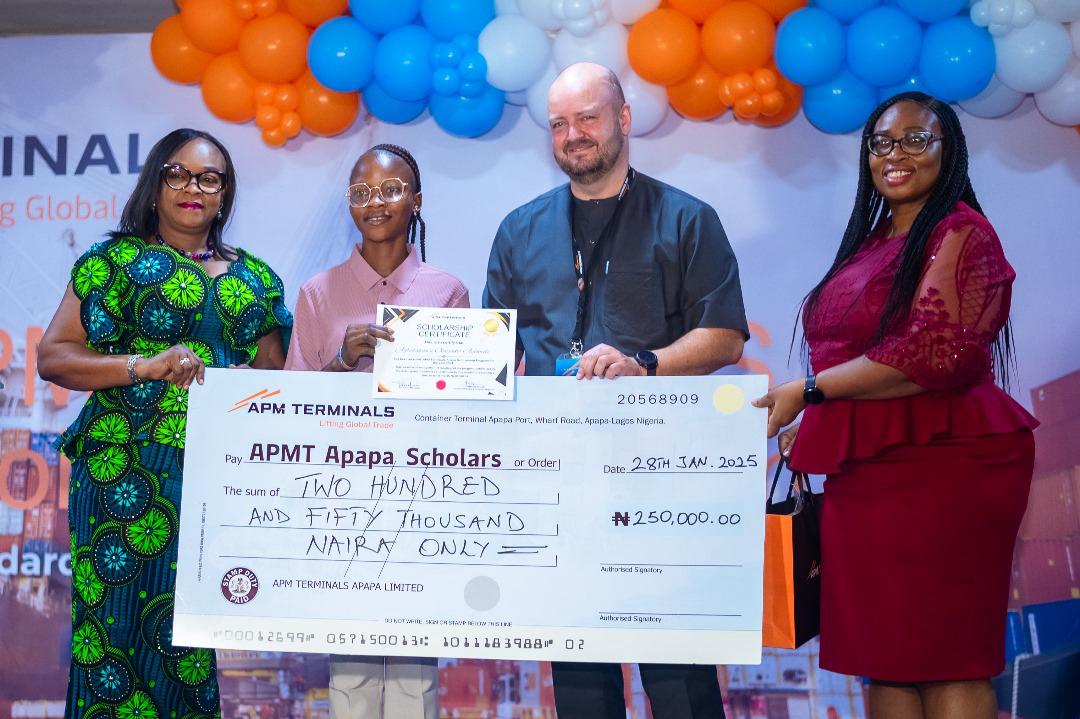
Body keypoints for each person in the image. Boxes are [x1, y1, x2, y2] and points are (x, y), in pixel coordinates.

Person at [752, 93, 1038, 719]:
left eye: (916, 139)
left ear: (948, 149)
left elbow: (935, 353)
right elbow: (850, 353)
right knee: (885, 655)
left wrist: (809, 392)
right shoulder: (873, 240)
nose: (895, 154)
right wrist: (819, 417)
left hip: (947, 464)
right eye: (881, 143)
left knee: (948, 654)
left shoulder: (962, 231)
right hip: (868, 472)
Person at [484, 62, 748, 719]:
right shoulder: (518, 229)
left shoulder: (687, 218)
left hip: (662, 483)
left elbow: (725, 337)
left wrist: (644, 364)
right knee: (580, 684)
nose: (573, 135)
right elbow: (493, 356)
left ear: (623, 119)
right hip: (557, 486)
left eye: (588, 118)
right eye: (559, 124)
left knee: (680, 681)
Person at [38, 128, 292, 719]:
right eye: (177, 173)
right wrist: (143, 365)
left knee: (188, 642)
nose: (192, 187)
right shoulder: (111, 262)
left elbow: (276, 380)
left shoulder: (257, 279)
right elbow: (54, 356)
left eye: (209, 178)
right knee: (113, 632)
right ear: (155, 185)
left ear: (225, 195)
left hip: (215, 478)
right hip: (121, 473)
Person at [285, 143, 468, 719]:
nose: (375, 203)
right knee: (352, 678)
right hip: (342, 498)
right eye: (361, 193)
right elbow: (293, 408)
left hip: (421, 497)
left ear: (416, 201)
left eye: (391, 190)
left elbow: (465, 410)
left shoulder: (449, 291)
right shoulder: (317, 293)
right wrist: (341, 363)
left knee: (414, 678)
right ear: (349, 204)